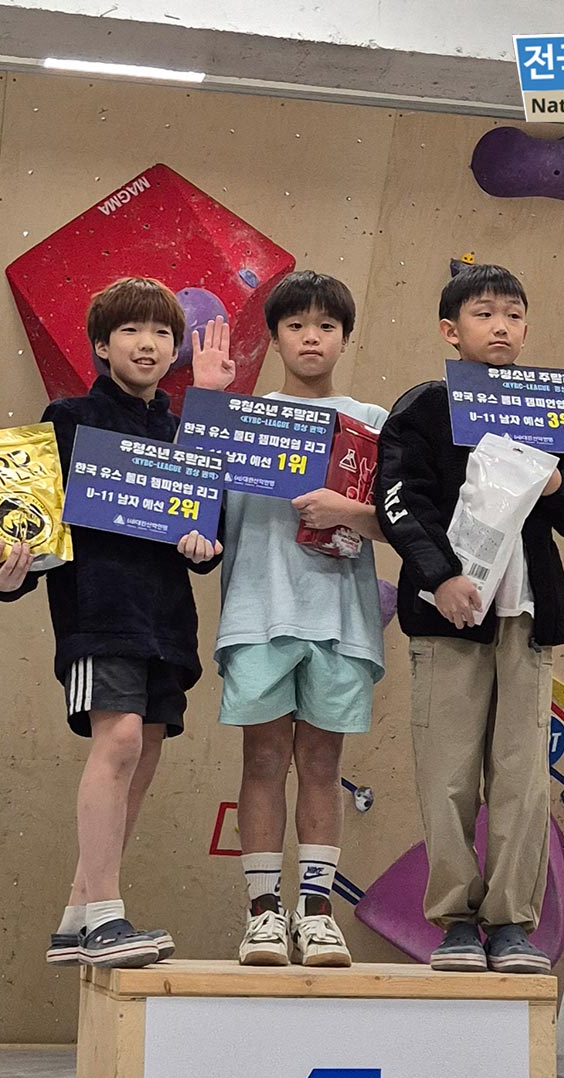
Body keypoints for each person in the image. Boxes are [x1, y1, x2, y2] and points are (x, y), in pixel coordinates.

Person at [375, 264, 564, 974]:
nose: (501, 326)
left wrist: (555, 478)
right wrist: (439, 576)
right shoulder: (425, 405)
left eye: (513, 314)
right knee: (447, 773)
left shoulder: (554, 409)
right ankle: (454, 920)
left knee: (521, 777)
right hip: (450, 612)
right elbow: (399, 500)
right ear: (451, 331)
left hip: (526, 617)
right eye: (484, 314)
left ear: (527, 327)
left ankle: (510, 923)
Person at [0, 276, 223, 970]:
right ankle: (107, 917)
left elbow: (208, 536)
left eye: (161, 333)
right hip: (98, 615)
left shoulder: (182, 434)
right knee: (117, 741)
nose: (148, 344)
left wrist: (203, 547)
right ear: (100, 345)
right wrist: (2, 576)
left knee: (142, 756)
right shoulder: (68, 418)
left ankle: (77, 915)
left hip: (167, 623)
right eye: (131, 331)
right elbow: (25, 531)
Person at [192, 271, 386, 967]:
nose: (312, 338)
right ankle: (263, 914)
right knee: (264, 760)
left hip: (342, 615)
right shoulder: (239, 415)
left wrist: (347, 512)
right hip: (258, 610)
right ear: (273, 339)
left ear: (345, 338)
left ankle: (318, 912)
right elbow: (190, 498)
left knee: (324, 765)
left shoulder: (372, 421)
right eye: (297, 325)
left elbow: (400, 523)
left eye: (326, 326)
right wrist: (208, 400)